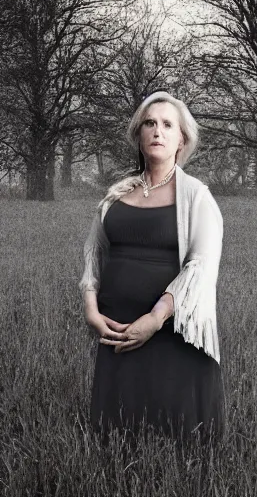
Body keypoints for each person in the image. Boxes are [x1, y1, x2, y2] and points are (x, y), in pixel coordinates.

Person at [79, 91, 225, 444]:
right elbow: (93, 255)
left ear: (181, 139)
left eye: (166, 125)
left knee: (177, 441)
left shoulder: (197, 196)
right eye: (149, 123)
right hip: (116, 330)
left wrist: (155, 319)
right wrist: (91, 312)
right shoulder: (116, 195)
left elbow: (200, 268)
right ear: (139, 135)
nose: (157, 131)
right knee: (116, 439)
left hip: (171, 333)